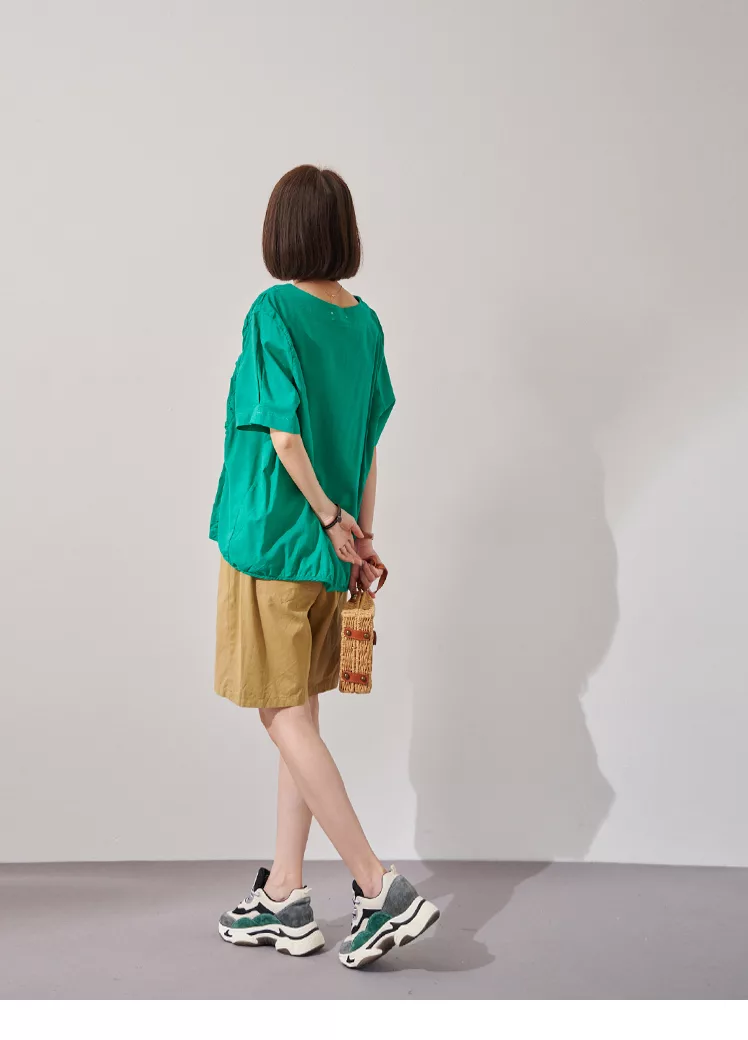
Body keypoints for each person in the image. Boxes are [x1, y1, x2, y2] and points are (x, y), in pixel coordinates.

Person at [209, 165, 439, 969]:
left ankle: (378, 887)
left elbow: (282, 435)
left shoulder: (272, 311)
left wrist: (330, 519)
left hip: (276, 540)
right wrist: (359, 534)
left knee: (281, 716)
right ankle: (285, 896)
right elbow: (368, 443)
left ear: (283, 232)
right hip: (330, 553)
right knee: (300, 714)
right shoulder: (364, 323)